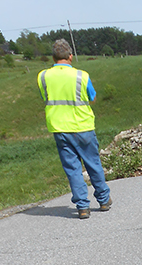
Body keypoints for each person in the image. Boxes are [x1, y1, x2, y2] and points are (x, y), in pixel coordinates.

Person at [37, 39, 111, 219]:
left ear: (53, 57)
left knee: (72, 168)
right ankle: (103, 200)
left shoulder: (43, 76)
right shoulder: (81, 76)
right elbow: (92, 97)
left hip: (60, 128)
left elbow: (45, 97)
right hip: (83, 126)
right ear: (70, 56)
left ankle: (82, 207)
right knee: (93, 163)